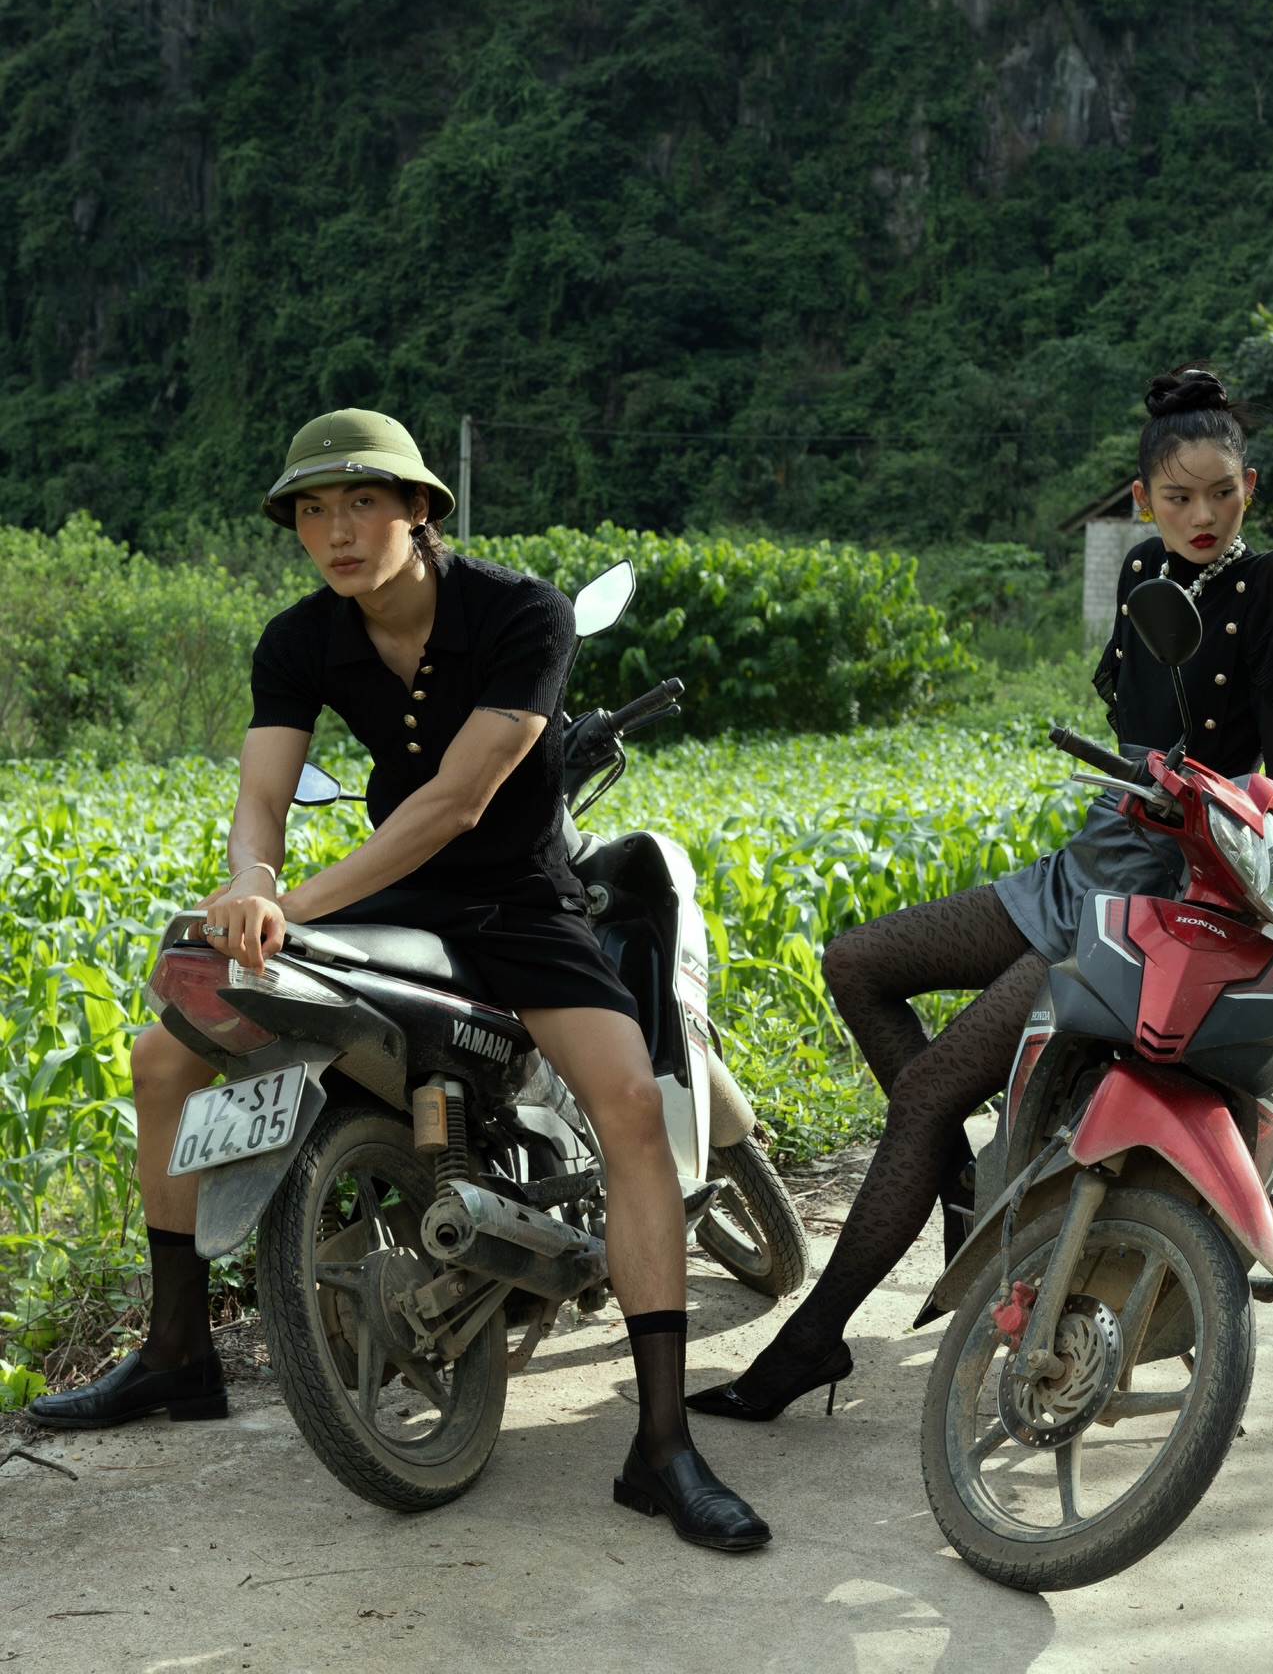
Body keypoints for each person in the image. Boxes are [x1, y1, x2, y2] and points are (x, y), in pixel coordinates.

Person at [31, 408, 769, 1553]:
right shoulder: (297, 640)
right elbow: (263, 799)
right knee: (163, 1057)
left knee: (626, 1100)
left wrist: (294, 902)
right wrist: (250, 881)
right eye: (313, 512)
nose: (336, 530)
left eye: (361, 503)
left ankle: (662, 1441)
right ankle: (177, 1350)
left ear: (420, 509)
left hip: (519, 900)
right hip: (387, 897)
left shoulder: (524, 612)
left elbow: (459, 803)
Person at [688, 363, 1273, 1424]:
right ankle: (966, 1188)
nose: (1203, 516)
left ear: (1251, 484)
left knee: (929, 1095)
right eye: (1179, 497)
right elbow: (1136, 734)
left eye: (1223, 492)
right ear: (1140, 499)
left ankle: (813, 1341)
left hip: (1172, 897)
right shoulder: (1142, 573)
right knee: (857, 963)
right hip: (1100, 858)